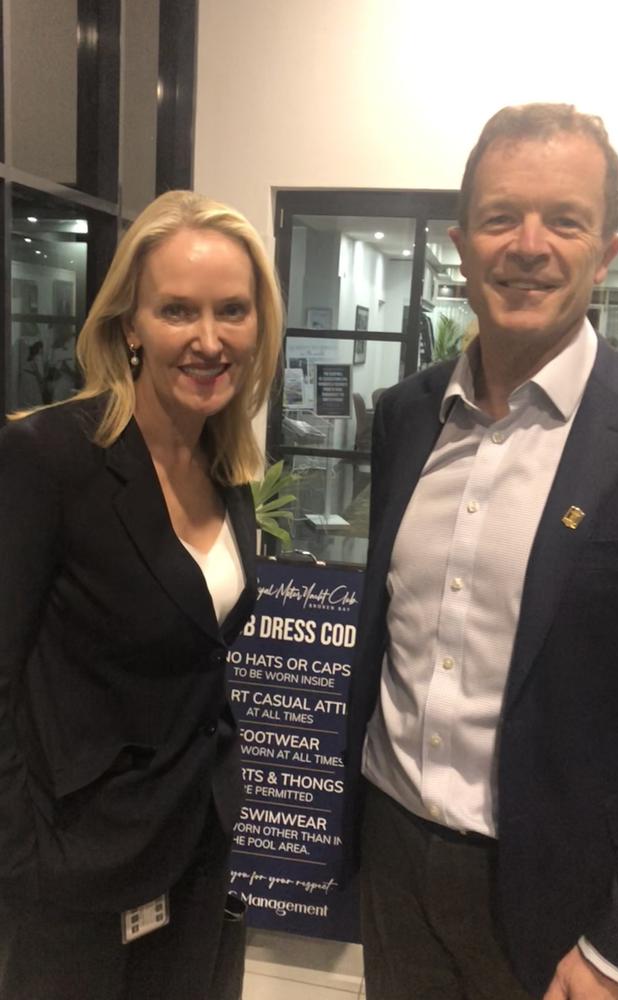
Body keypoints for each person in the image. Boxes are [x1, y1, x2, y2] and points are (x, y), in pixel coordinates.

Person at [343, 103, 618, 1000]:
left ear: (606, 251)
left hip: (564, 903)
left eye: (564, 220)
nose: (528, 244)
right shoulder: (405, 416)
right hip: (394, 859)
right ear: (460, 244)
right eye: (500, 217)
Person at [0, 189, 283, 999]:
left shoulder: (224, 464)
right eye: (176, 311)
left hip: (196, 845)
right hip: (74, 869)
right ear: (130, 325)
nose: (207, 339)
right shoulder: (49, 457)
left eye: (232, 310)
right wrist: (24, 858)